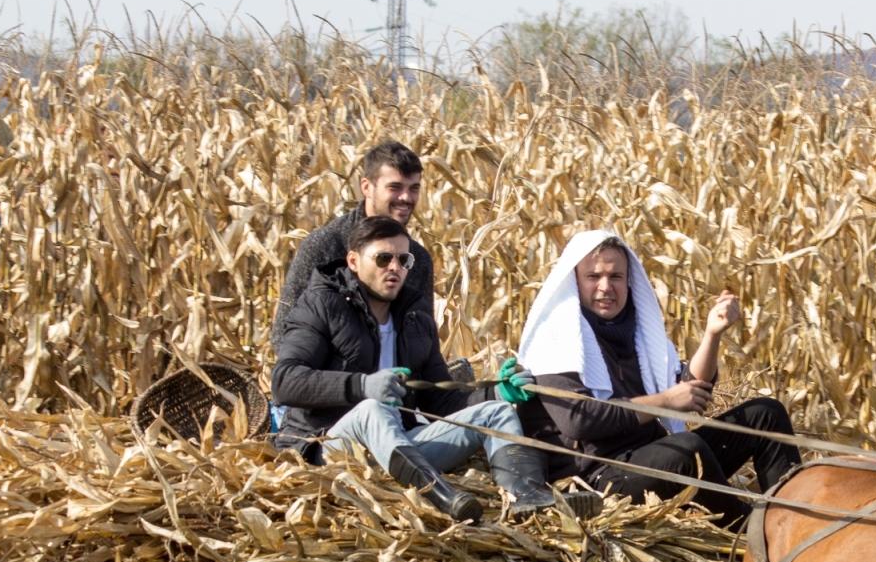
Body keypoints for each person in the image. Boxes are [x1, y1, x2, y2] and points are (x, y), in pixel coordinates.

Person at [272, 215, 597, 522]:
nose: (395, 268)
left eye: (404, 260)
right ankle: (444, 498)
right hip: (329, 448)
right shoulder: (320, 305)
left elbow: (441, 403)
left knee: (496, 413)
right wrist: (361, 386)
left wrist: (497, 391)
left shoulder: (415, 318)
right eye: (383, 259)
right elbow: (285, 381)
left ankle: (527, 495)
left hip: (398, 449)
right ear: (354, 261)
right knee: (372, 409)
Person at [515, 230, 801, 528]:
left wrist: (712, 334)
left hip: (649, 454)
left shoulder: (639, 335)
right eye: (593, 276)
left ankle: (795, 517)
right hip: (598, 478)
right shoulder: (556, 338)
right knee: (687, 450)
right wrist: (663, 402)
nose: (605, 287)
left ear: (628, 281)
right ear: (575, 281)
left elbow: (691, 389)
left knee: (765, 415)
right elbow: (579, 421)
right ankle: (756, 531)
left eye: (615, 277)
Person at [272, 140, 436, 355]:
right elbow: (283, 335)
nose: (405, 197)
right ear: (366, 187)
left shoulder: (418, 260)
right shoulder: (323, 246)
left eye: (413, 188)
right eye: (394, 187)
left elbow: (423, 340)